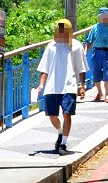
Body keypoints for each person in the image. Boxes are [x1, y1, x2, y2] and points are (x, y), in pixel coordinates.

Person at [36, 19, 87, 154]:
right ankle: (60, 132)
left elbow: (81, 68)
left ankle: (63, 143)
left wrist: (82, 85)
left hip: (69, 85)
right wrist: (41, 85)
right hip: (52, 86)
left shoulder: (76, 46)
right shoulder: (51, 46)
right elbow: (45, 68)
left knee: (67, 114)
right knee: (52, 115)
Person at [84, 7, 108, 104]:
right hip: (96, 52)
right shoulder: (95, 27)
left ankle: (107, 94)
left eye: (106, 16)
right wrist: (85, 52)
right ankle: (99, 92)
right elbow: (89, 41)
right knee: (96, 74)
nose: (104, 18)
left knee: (107, 74)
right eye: (102, 16)